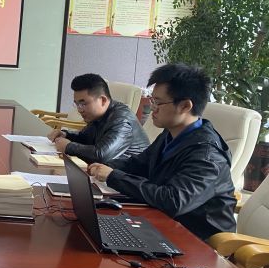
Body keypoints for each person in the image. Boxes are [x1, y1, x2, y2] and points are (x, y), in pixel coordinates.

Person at [88, 63, 236, 240]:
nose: (152, 108)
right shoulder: (171, 133)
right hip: (162, 223)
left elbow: (173, 200)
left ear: (185, 106)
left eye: (158, 102)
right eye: (152, 100)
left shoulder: (208, 156)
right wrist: (100, 167)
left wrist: (113, 176)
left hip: (198, 241)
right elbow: (138, 164)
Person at [48, 73, 149, 164]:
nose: (79, 110)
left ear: (103, 100)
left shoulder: (121, 120)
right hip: (105, 171)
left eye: (83, 104)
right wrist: (66, 135)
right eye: (77, 104)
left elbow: (101, 155)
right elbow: (85, 138)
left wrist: (68, 147)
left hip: (129, 176)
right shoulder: (98, 115)